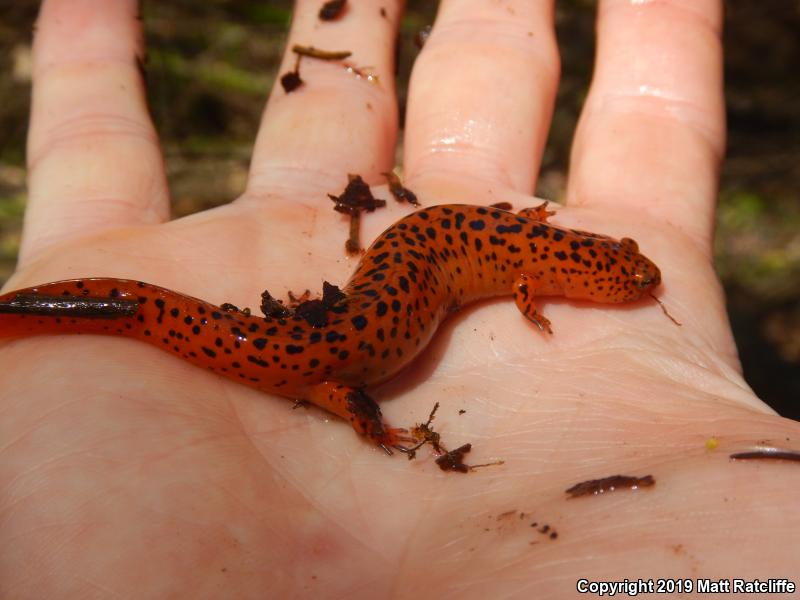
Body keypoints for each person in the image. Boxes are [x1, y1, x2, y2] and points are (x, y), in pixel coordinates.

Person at [2, 1, 797, 597]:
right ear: (577, 272)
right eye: (623, 273)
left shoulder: (523, 260)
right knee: (194, 327)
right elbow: (507, 271)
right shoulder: (526, 275)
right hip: (333, 358)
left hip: (342, 329)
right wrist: (377, 426)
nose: (633, 278)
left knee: (165, 312)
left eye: (624, 273)